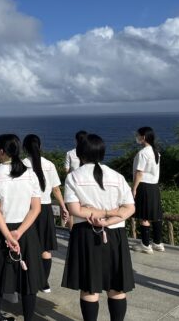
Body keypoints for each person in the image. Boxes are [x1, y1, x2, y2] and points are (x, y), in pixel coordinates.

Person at [62, 134, 135, 321]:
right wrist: (110, 216)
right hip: (115, 234)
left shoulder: (73, 177)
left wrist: (94, 212)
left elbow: (74, 209)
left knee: (89, 287)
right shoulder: (117, 176)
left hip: (86, 233)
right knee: (116, 287)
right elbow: (130, 208)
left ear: (79, 154)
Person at [0, 134, 43, 321]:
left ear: (1, 151)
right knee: (28, 279)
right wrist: (19, 232)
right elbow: (36, 208)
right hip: (26, 231)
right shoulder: (30, 173)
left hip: (1, 230)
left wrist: (9, 236)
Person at [22, 134, 69, 293]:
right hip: (46, 209)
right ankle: (44, 283)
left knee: (27, 248)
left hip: (28, 209)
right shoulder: (49, 164)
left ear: (25, 148)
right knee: (45, 249)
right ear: (40, 147)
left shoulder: (22, 165)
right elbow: (56, 189)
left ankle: (28, 281)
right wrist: (63, 206)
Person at [132, 127, 164, 254]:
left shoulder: (143, 153)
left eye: (138, 135)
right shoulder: (156, 152)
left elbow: (139, 173)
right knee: (155, 215)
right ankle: (158, 243)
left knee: (144, 216)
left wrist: (134, 188)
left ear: (143, 137)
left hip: (144, 185)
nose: (137, 137)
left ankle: (145, 245)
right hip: (154, 186)